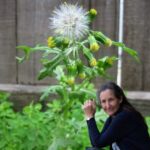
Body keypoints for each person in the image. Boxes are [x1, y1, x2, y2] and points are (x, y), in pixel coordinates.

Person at [82, 82, 150, 150]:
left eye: (111, 100)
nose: (107, 106)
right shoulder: (112, 118)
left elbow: (98, 142)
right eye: (103, 101)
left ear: (120, 99)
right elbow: (97, 142)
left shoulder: (125, 116)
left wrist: (90, 117)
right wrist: (90, 117)